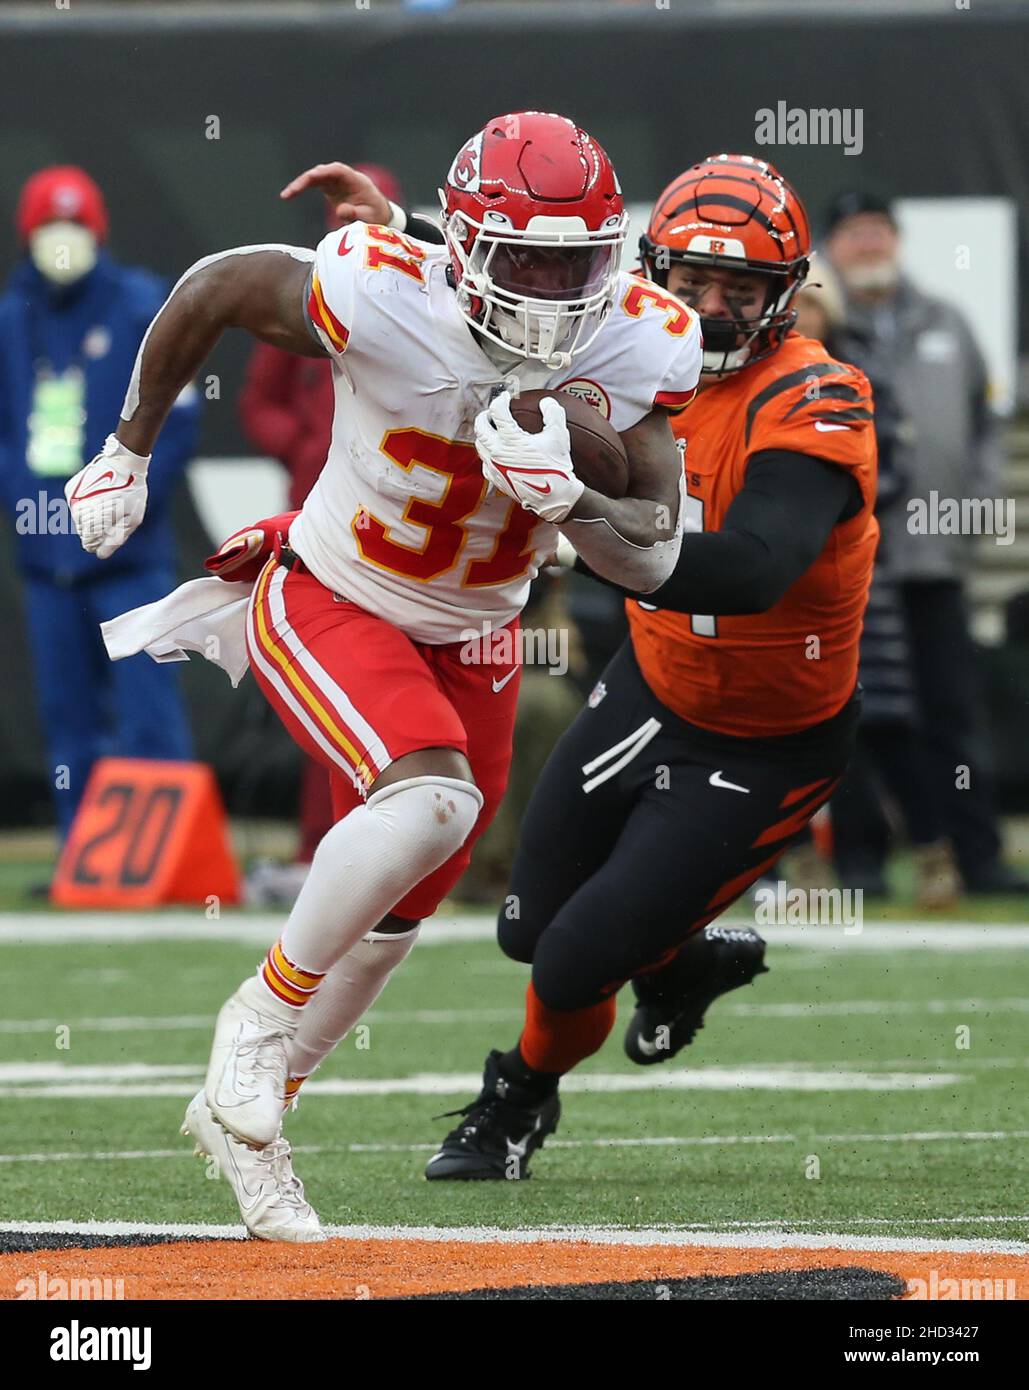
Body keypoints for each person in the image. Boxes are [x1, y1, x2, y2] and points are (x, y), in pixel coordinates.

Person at [64, 114, 703, 1239]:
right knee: (433, 799)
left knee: (400, 910)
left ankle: (253, 1121)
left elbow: (650, 552)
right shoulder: (380, 288)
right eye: (529, 259)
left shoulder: (638, 338)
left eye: (578, 259)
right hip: (335, 590)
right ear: (462, 249)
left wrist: (576, 499)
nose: (556, 291)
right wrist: (129, 444)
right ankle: (256, 1022)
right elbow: (216, 284)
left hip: (480, 633)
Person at [425, 154, 879, 1182]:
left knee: (573, 959)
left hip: (770, 741)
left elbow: (758, 570)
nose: (710, 310)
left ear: (785, 294)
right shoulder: (624, 349)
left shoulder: (818, 392)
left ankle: (515, 1100)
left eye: (741, 290)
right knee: (525, 927)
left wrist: (578, 511)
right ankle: (680, 969)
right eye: (690, 284)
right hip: (655, 684)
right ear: (651, 272)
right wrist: (406, 232)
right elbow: (490, 276)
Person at [823, 191, 1027, 896]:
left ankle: (977, 858)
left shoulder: (948, 322)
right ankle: (860, 863)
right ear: (831, 247)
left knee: (949, 713)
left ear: (896, 240)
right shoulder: (822, 332)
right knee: (848, 715)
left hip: (932, 561)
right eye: (852, 234)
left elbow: (985, 426)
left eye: (877, 230)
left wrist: (971, 512)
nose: (867, 244)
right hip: (850, 568)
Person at [0, 166, 199, 838]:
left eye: (75, 225)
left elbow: (182, 417)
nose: (63, 240)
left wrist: (128, 500)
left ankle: (164, 852)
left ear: (98, 230)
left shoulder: (141, 303)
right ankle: (80, 854)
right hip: (46, 557)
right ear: (27, 234)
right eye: (50, 226)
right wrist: (30, 507)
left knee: (148, 709)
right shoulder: (10, 317)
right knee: (67, 715)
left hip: (128, 554)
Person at [238, 165, 408, 902]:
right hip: (322, 520)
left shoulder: (419, 303)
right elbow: (259, 401)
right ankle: (325, 848)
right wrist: (308, 446)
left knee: (399, 693)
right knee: (329, 691)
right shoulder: (308, 293)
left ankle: (399, 846)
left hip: (402, 527)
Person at [792, 273, 961, 909]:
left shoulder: (858, 381)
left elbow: (889, 471)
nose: (804, 314)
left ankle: (934, 858)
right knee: (792, 725)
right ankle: (800, 865)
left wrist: (815, 506)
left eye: (814, 303)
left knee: (887, 720)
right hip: (782, 578)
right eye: (796, 302)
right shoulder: (756, 381)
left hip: (860, 575)